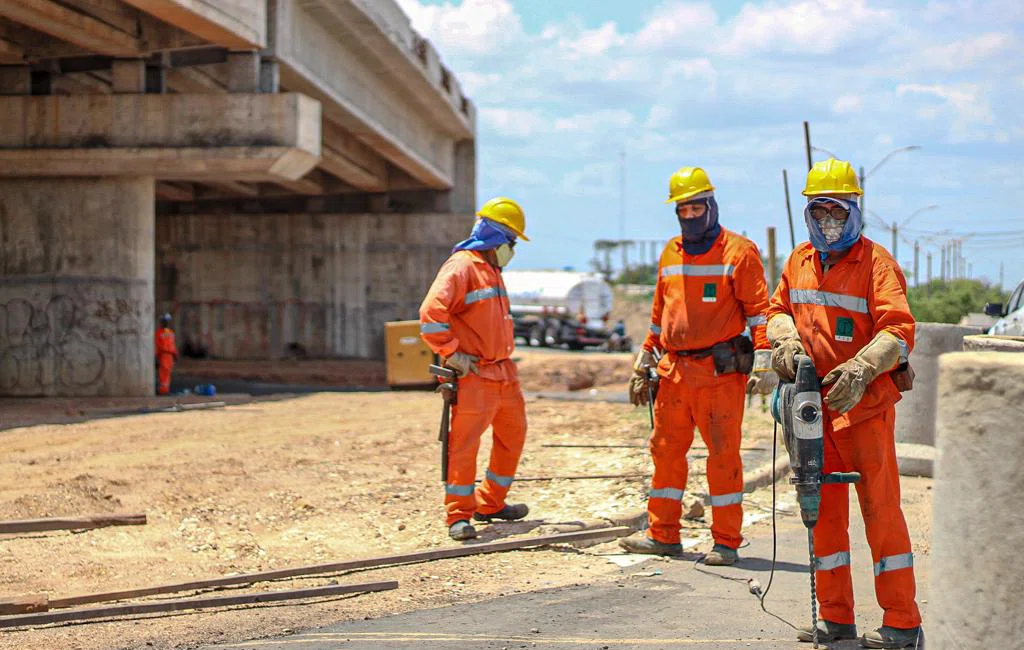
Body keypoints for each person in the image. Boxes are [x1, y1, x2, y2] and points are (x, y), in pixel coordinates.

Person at [766, 158, 921, 648]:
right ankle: (836, 619)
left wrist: (861, 369)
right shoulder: (798, 261)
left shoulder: (876, 264)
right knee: (823, 513)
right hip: (814, 412)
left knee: (882, 514)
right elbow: (776, 309)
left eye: (837, 213)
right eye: (820, 214)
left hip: (866, 409)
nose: (829, 223)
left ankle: (902, 623)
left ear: (855, 211)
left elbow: (899, 330)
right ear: (810, 214)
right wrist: (784, 338)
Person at [620, 167, 777, 565]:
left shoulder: (739, 252)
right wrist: (646, 355)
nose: (689, 215)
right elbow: (660, 314)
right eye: (682, 209)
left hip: (718, 373)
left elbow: (760, 313)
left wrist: (763, 360)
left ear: (711, 205)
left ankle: (726, 542)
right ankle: (663, 535)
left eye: (696, 207)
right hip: (673, 373)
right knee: (665, 452)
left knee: (723, 455)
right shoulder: (671, 253)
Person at [419, 197, 531, 541]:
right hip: (476, 374)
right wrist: (453, 354)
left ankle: (490, 503)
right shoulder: (461, 267)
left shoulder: (491, 269)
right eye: (511, 241)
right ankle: (459, 515)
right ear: (497, 237)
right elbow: (430, 317)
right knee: (465, 445)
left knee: (513, 436)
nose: (512, 249)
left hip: (503, 372)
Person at [155, 313, 178, 395]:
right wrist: (156, 357)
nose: (166, 323)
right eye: (165, 321)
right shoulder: (159, 333)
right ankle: (163, 390)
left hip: (170, 355)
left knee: (168, 373)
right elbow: (157, 346)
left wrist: (175, 354)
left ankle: (165, 389)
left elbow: (173, 344)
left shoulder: (170, 332)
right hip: (163, 355)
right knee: (163, 373)